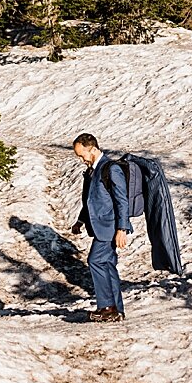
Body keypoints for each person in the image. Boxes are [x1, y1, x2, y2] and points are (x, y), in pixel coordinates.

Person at [71, 132, 128, 322]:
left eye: (82, 155)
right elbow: (90, 200)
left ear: (92, 149)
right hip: (100, 226)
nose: (81, 159)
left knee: (95, 261)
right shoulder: (93, 170)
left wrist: (122, 228)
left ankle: (106, 307)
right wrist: (80, 221)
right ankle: (116, 310)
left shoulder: (110, 169)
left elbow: (122, 200)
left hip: (109, 227)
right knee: (107, 265)